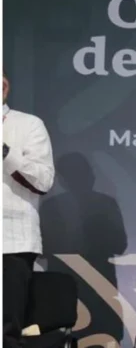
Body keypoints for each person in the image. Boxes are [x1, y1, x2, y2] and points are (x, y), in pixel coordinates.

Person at [2, 74, 56, 343]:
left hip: (10, 242)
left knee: (5, 330)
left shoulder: (28, 125)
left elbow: (43, 181)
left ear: (3, 87)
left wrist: (5, 152)